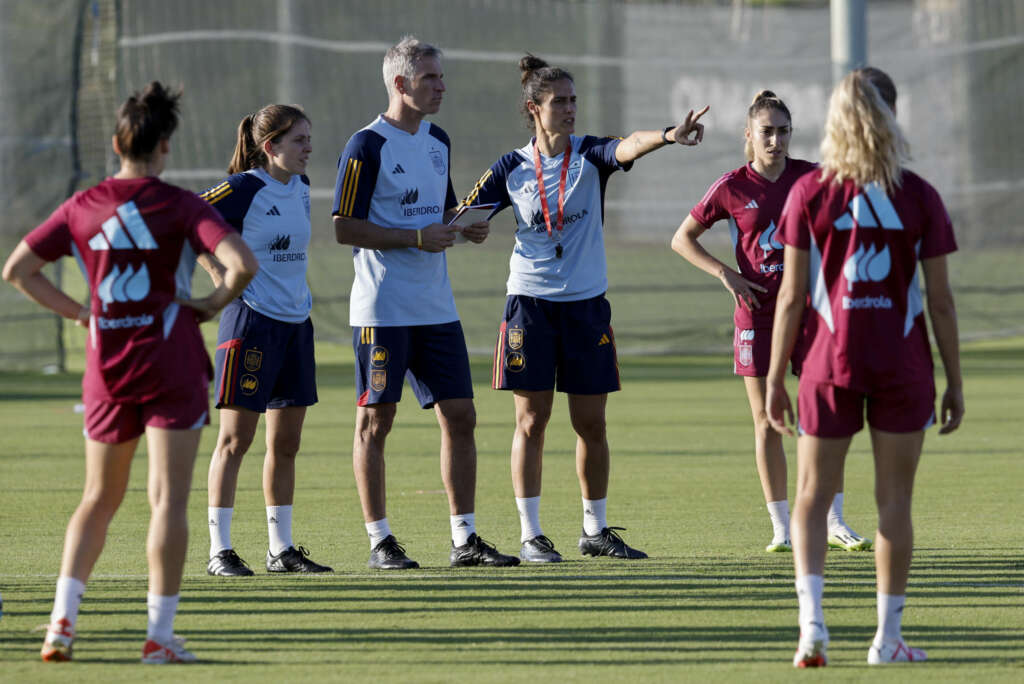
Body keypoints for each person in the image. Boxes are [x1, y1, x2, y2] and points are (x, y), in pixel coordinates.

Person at [2, 82, 258, 663]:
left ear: (118, 141)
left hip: (108, 366)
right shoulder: (182, 205)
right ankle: (158, 638)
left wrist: (82, 316)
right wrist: (213, 305)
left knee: (98, 497)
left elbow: (18, 269)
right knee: (167, 501)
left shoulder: (82, 205)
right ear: (164, 146)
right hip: (170, 363)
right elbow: (242, 264)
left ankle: (61, 627)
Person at [461, 54, 708, 563]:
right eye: (559, 102)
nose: (570, 109)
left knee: (591, 424)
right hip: (529, 305)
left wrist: (667, 135)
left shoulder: (591, 154)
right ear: (534, 108)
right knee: (532, 420)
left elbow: (628, 144)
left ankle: (594, 530)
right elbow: (464, 218)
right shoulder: (510, 168)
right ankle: (531, 536)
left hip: (586, 307)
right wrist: (470, 227)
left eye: (574, 100)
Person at [766, 68, 964, 667]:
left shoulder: (810, 193)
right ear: (892, 114)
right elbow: (942, 299)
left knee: (810, 496)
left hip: (829, 365)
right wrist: (955, 377)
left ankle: (812, 629)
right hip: (903, 367)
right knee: (893, 503)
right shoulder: (920, 195)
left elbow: (792, 296)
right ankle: (887, 639)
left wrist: (775, 378)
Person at [332, 36, 518, 569]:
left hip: (436, 308)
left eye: (441, 76)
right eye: (430, 77)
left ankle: (465, 539)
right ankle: (380, 541)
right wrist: (415, 238)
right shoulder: (365, 146)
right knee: (377, 422)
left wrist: (464, 227)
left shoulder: (438, 140)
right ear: (400, 83)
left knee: (461, 416)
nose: (441, 86)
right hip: (383, 310)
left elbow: (439, 213)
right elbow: (344, 228)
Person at [671, 91, 870, 554]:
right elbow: (682, 239)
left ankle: (833, 518)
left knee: (826, 417)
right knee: (766, 422)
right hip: (757, 318)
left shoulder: (814, 178)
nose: (776, 140)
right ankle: (781, 527)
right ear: (749, 135)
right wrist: (727, 274)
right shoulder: (732, 187)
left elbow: (849, 229)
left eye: (783, 131)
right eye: (767, 132)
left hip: (812, 315)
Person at [197, 104, 331, 576]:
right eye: (299, 141)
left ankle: (282, 549)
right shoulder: (242, 188)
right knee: (236, 441)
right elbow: (190, 222)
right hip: (250, 323)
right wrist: (223, 280)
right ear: (270, 146)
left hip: (296, 325)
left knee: (287, 443)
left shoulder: (302, 187)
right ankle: (220, 551)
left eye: (309, 139)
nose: (308, 148)